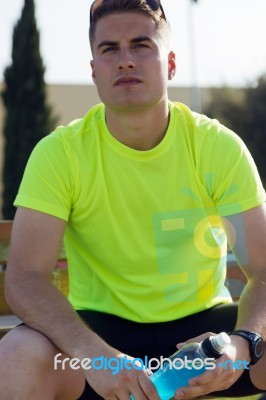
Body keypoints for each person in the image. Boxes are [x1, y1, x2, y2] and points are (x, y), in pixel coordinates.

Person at [1, 0, 266, 399]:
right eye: (110, 49)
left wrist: (245, 343)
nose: (126, 61)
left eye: (141, 45)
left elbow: (264, 270)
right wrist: (95, 357)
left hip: (201, 343)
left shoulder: (218, 147)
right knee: (18, 352)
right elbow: (24, 277)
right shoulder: (61, 153)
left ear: (171, 63)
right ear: (94, 70)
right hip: (97, 342)